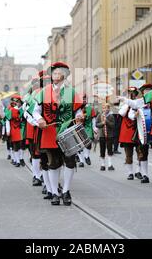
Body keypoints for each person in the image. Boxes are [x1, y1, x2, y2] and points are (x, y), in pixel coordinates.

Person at [32, 62, 84, 206]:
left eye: (58, 72)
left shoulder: (71, 92)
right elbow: (36, 111)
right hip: (49, 132)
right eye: (53, 72)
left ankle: (66, 191)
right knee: (53, 163)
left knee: (70, 161)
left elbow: (77, 110)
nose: (55, 75)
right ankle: (55, 192)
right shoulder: (44, 92)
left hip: (68, 130)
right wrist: (40, 119)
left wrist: (80, 115)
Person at [118, 87, 140, 180]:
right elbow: (121, 113)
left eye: (133, 92)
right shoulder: (124, 103)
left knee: (140, 152)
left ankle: (138, 171)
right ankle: (130, 172)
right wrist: (127, 103)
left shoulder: (139, 102)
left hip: (137, 129)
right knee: (128, 153)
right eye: (130, 92)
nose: (132, 94)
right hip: (127, 131)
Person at [96, 103, 115, 171]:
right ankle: (102, 165)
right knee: (102, 149)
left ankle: (110, 164)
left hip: (109, 135)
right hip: (102, 135)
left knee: (109, 149)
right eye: (104, 108)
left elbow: (113, 125)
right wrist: (102, 123)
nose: (105, 109)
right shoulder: (99, 116)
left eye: (106, 108)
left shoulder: (111, 116)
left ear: (109, 109)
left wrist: (106, 121)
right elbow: (97, 124)